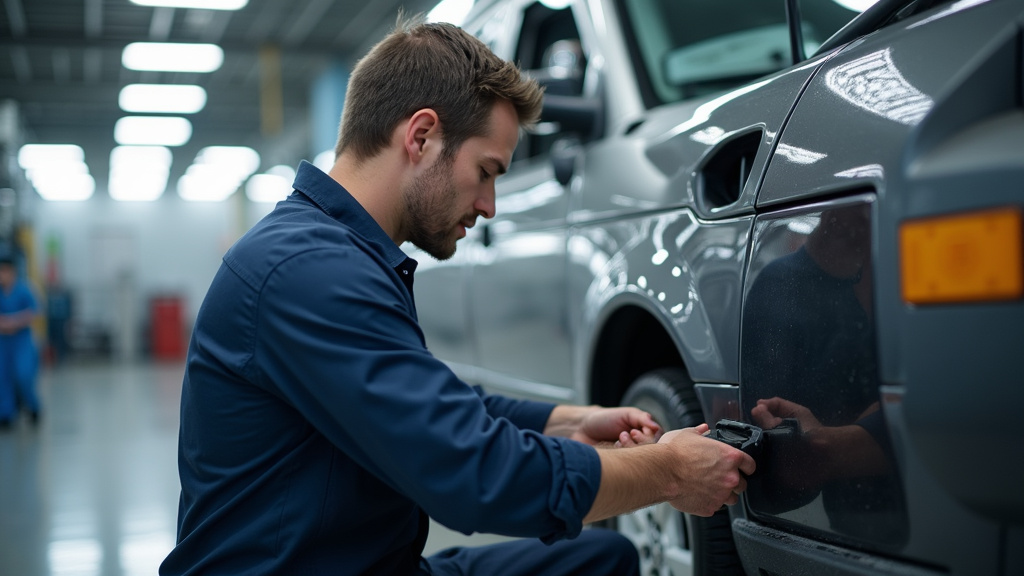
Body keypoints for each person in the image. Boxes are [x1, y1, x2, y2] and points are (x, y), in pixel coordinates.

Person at [160, 16, 754, 576]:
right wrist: (668, 473)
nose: (490, 205)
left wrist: (566, 419)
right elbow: (477, 476)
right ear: (421, 136)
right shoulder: (310, 271)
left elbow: (431, 407)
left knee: (603, 560)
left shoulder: (333, 252)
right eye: (487, 171)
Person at [0, 254, 41, 429]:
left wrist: (13, 322)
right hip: (3, 341)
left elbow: (34, 311)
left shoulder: (24, 289)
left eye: (4, 271)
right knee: (3, 377)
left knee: (23, 375)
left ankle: (33, 407)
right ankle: (6, 414)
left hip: (21, 340)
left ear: (12, 271)